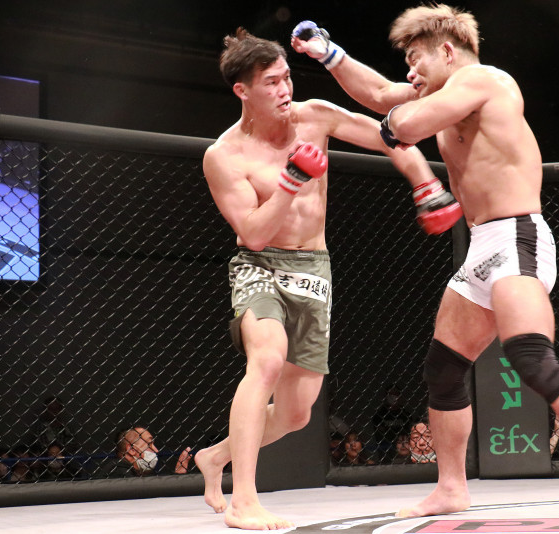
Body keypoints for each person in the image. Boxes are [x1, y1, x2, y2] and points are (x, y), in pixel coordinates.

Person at [292, 5, 559, 526]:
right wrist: (330, 55)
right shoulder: (445, 93)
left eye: (416, 59)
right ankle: (451, 489)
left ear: (446, 51)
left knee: (532, 359)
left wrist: (394, 130)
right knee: (443, 370)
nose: (411, 72)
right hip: (482, 244)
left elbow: (404, 123)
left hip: (517, 236)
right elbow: (382, 95)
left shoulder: (483, 81)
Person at [192, 28, 460, 531]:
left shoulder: (314, 116)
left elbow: (389, 135)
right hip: (260, 265)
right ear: (242, 91)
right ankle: (244, 499)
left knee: (296, 414)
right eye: (271, 82)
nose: (284, 89)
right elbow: (253, 233)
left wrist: (425, 182)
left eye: (286, 77)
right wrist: (292, 181)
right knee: (266, 359)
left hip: (314, 269)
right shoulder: (224, 156)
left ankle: (216, 456)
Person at [98, 426, 193, 477]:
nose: (156, 450)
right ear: (132, 450)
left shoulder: (131, 471)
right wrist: (177, 477)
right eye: (149, 444)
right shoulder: (119, 471)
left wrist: (178, 476)